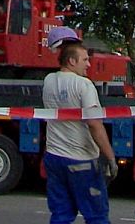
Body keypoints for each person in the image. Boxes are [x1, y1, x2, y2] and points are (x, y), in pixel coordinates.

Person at [43, 39, 117, 224]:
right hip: (81, 159)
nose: (89, 64)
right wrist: (110, 157)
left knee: (61, 214)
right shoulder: (84, 85)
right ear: (72, 61)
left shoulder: (49, 81)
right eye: (85, 60)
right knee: (96, 215)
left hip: (54, 157)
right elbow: (94, 124)